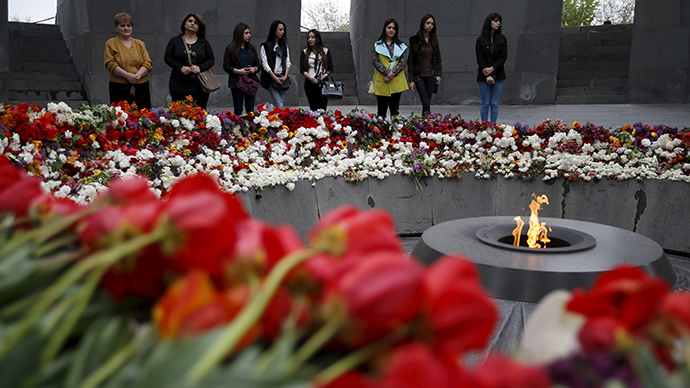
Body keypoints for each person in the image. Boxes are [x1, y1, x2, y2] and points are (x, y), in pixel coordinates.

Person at [164, 13, 215, 110]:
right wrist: (180, 67)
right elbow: (167, 58)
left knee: (199, 113)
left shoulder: (203, 42)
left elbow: (211, 60)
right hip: (178, 83)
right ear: (184, 24)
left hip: (199, 84)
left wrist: (199, 68)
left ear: (199, 27)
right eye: (190, 21)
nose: (192, 24)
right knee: (179, 113)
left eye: (196, 23)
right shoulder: (175, 40)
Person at [103, 12, 153, 109]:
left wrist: (135, 77)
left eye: (128, 25)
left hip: (141, 86)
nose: (126, 28)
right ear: (117, 28)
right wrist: (127, 76)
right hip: (119, 87)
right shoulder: (111, 43)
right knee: (121, 118)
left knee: (143, 117)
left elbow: (148, 63)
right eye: (122, 26)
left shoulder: (140, 44)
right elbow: (110, 63)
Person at [372, 18, 408, 117]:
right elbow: (375, 61)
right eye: (389, 27)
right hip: (381, 80)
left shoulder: (402, 46)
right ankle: (381, 132)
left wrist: (393, 73)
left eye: (394, 28)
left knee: (395, 111)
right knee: (381, 111)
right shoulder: (377, 45)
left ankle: (395, 131)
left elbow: (403, 62)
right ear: (385, 29)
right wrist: (387, 72)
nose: (391, 30)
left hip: (397, 81)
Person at [407, 14, 442, 117]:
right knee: (425, 101)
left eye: (432, 24)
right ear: (423, 24)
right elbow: (411, 60)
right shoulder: (414, 39)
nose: (430, 25)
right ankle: (426, 124)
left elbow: (438, 59)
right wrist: (411, 80)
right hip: (419, 76)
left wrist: (438, 74)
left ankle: (424, 125)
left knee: (427, 102)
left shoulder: (434, 39)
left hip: (431, 75)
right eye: (428, 23)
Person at [475, 12, 507, 123]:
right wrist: (487, 74)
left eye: (499, 21)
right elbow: (480, 58)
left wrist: (492, 69)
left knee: (494, 103)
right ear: (489, 22)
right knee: (485, 103)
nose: (498, 23)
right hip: (483, 75)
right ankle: (484, 126)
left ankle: (493, 127)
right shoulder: (480, 40)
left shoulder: (502, 39)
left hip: (498, 74)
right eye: (495, 20)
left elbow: (503, 57)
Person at [223, 23, 261, 115]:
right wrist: (238, 71)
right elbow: (226, 66)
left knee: (250, 110)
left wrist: (254, 69)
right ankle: (238, 127)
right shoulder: (230, 49)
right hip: (236, 82)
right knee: (238, 108)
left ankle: (250, 128)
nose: (249, 35)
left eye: (249, 33)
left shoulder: (251, 49)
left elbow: (258, 65)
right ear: (240, 34)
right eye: (246, 33)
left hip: (250, 82)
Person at [300, 29, 333, 111]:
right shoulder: (305, 52)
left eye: (312, 37)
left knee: (322, 108)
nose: (310, 40)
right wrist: (311, 78)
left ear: (317, 39)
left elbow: (330, 68)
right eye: (308, 38)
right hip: (309, 82)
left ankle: (322, 123)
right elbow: (302, 69)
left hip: (323, 82)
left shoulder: (325, 51)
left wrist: (322, 78)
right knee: (313, 108)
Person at [260, 20, 291, 108]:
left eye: (283, 30)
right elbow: (264, 64)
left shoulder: (284, 46)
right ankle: (279, 121)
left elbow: (288, 62)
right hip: (271, 78)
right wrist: (274, 77)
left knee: (280, 104)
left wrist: (285, 76)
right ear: (274, 30)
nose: (282, 32)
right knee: (279, 103)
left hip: (283, 78)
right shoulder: (265, 46)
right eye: (280, 29)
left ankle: (276, 121)